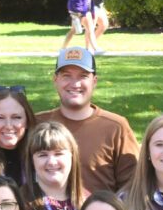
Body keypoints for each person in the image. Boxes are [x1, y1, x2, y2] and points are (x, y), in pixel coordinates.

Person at [51, 46, 138, 194]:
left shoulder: (116, 127)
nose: (75, 83)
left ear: (94, 81)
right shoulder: (39, 124)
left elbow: (133, 185)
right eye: (66, 76)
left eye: (83, 76)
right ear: (55, 80)